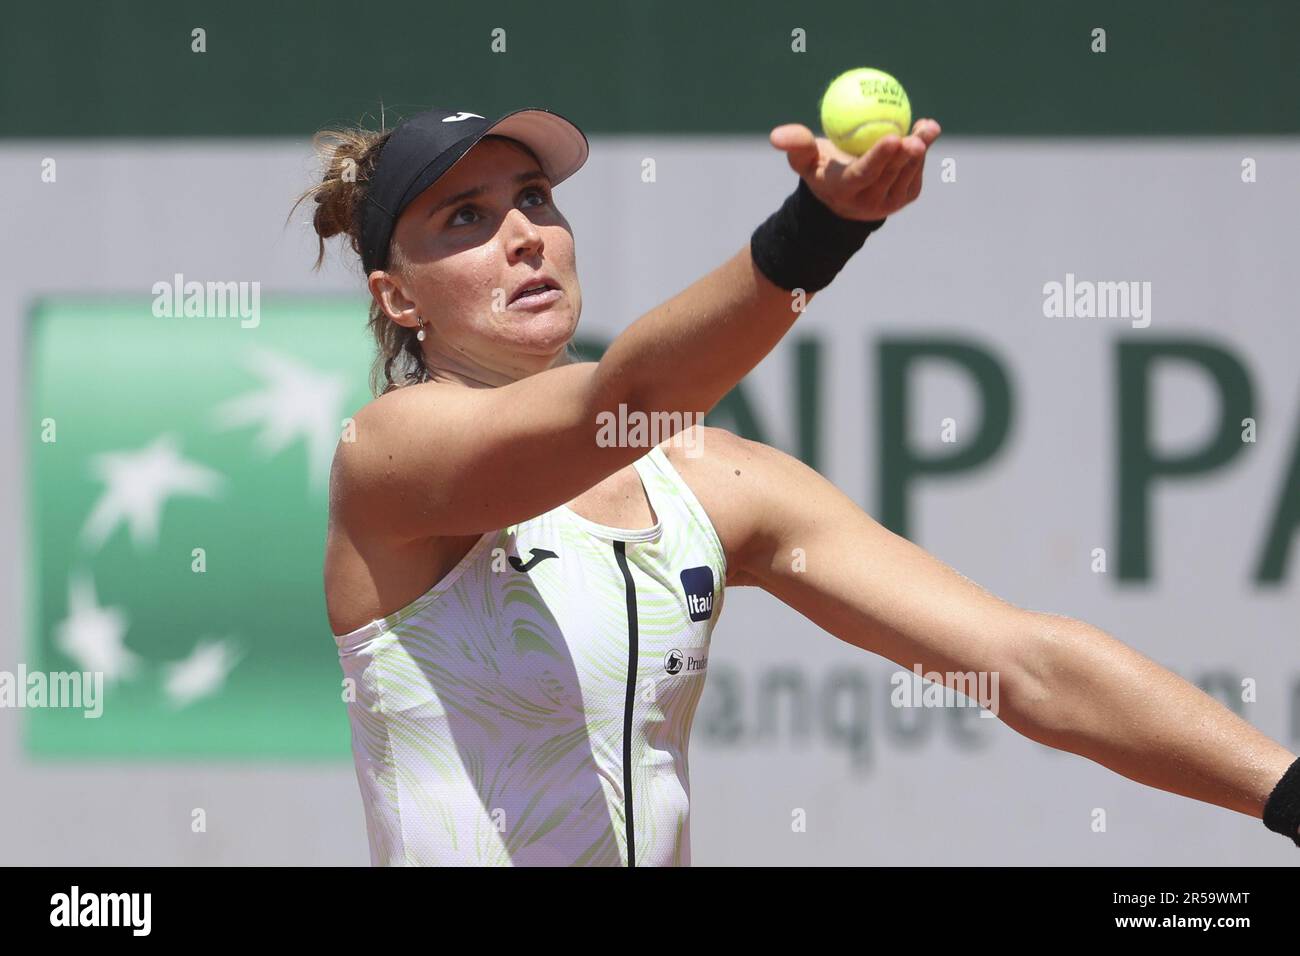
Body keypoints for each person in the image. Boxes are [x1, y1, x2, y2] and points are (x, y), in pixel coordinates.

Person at [295, 105, 1300, 866]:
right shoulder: (393, 455)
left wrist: (1285, 788)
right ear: (397, 296)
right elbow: (626, 393)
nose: (523, 234)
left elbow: (1022, 663)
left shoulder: (715, 481)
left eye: (533, 198)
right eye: (465, 217)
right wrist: (816, 231)